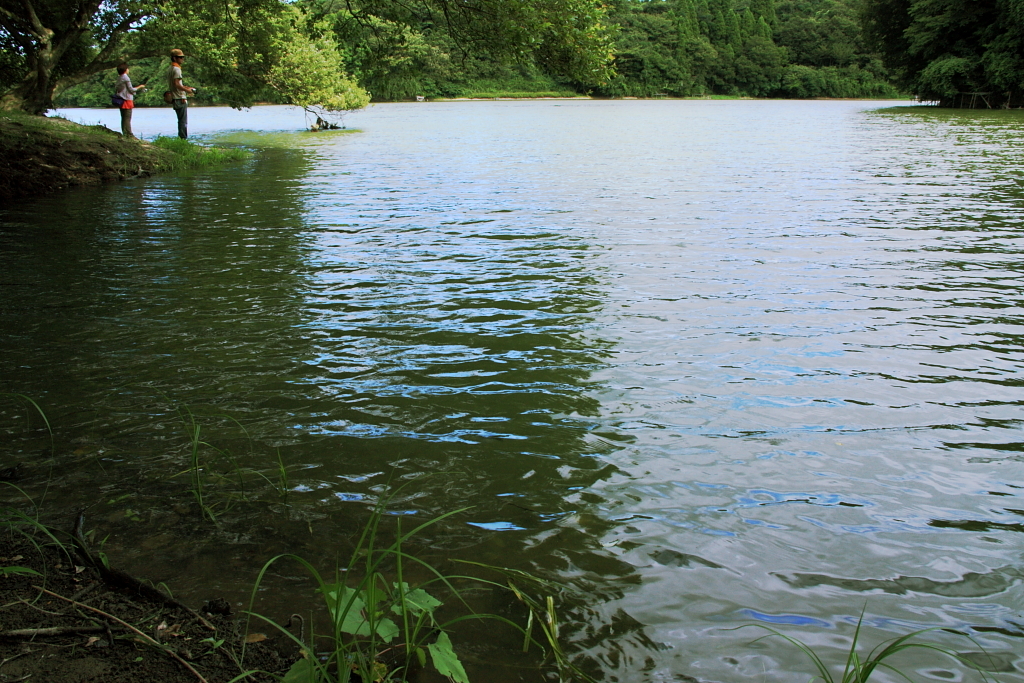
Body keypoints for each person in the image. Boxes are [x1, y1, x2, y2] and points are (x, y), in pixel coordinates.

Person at [167, 48, 195, 139]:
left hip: (175, 98)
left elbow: (177, 84)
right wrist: (187, 91)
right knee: (183, 121)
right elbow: (176, 84)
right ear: (174, 58)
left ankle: (181, 138)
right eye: (180, 57)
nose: (182, 59)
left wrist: (186, 88)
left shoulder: (170, 68)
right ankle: (183, 139)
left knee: (180, 121)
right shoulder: (177, 69)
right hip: (180, 99)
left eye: (183, 57)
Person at [115, 63, 146, 138]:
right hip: (126, 100)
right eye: (127, 68)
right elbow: (131, 89)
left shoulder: (119, 78)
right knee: (127, 118)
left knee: (123, 117)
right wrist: (140, 87)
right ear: (125, 70)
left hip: (121, 99)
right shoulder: (126, 78)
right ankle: (129, 134)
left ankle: (125, 133)